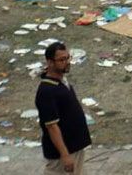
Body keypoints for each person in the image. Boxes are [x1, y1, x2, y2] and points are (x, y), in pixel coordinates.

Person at [36, 42, 91, 174]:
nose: (66, 62)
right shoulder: (46, 91)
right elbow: (51, 126)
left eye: (67, 58)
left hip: (75, 147)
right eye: (61, 60)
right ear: (50, 62)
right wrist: (65, 155)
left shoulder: (61, 81)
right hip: (63, 152)